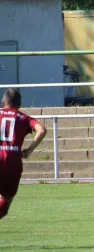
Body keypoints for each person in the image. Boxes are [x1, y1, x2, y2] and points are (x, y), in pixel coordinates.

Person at [1, 89, 47, 220]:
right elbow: (42, 130)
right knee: (5, 200)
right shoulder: (23, 118)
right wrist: (29, 150)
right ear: (19, 105)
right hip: (12, 160)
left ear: (3, 102)